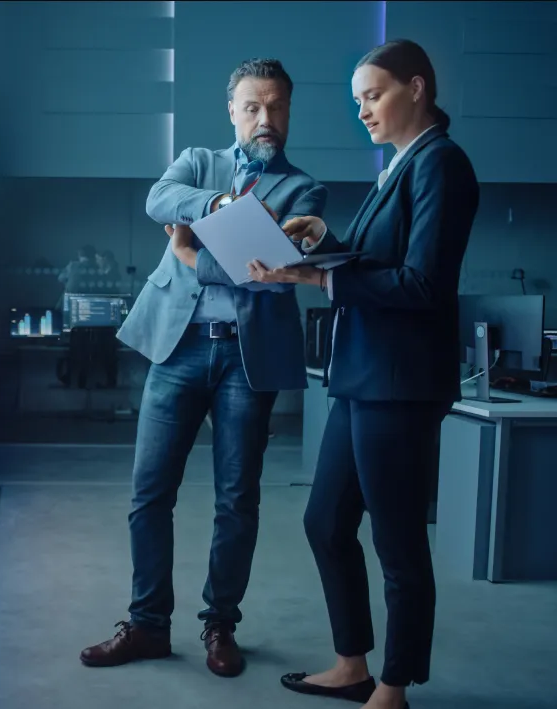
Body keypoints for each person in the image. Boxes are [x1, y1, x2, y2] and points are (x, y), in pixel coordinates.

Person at [243, 40, 479, 709]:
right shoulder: (402, 166)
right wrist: (320, 239)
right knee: (325, 521)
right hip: (363, 378)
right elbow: (376, 261)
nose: (363, 112)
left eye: (372, 96)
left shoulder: (441, 165)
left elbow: (422, 284)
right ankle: (353, 662)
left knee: (398, 539)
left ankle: (394, 686)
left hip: (399, 385)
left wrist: (316, 273)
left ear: (417, 87)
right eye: (356, 102)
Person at [79, 57, 327, 679]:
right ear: (233, 111)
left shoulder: (305, 192)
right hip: (178, 347)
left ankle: (220, 625)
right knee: (148, 494)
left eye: (275, 107)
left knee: (237, 500)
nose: (264, 119)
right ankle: (147, 626)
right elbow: (157, 198)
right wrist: (222, 205)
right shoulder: (196, 162)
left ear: (289, 111)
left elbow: (269, 278)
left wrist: (190, 248)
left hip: (249, 361)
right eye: (252, 107)